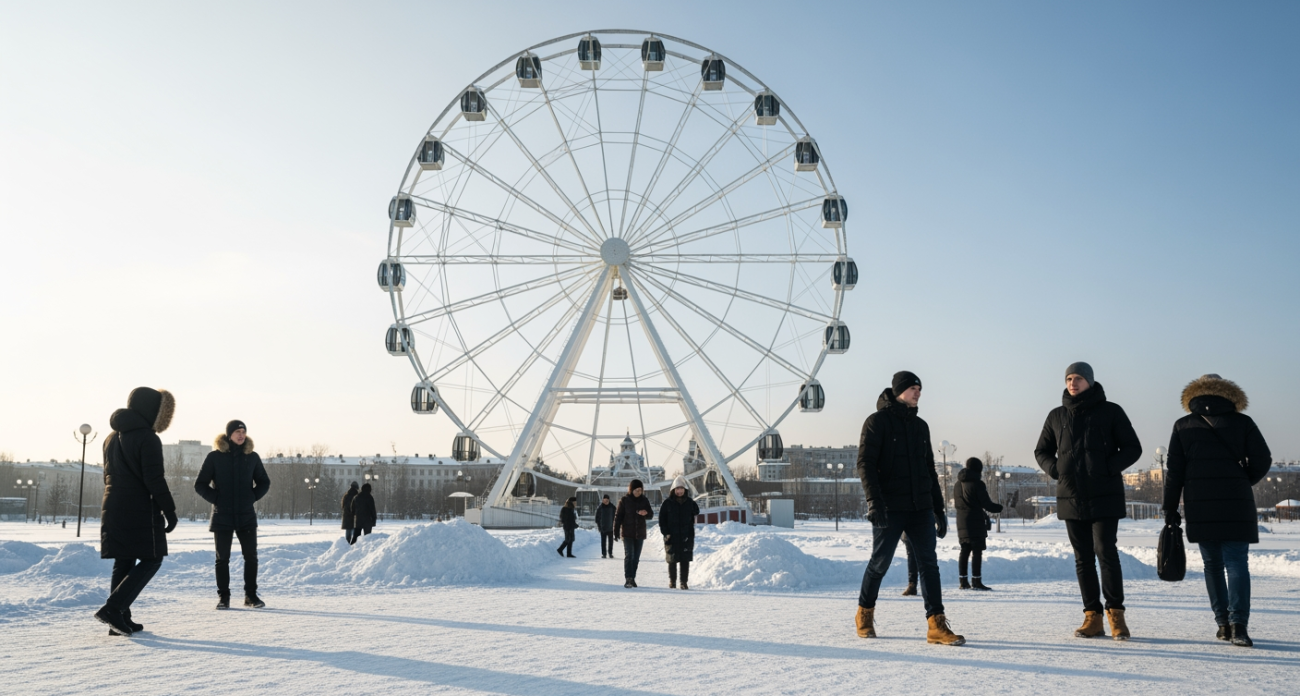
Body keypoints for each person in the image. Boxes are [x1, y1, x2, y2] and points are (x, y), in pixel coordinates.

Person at [854, 371, 965, 645]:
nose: (918, 392)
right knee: (880, 562)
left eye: (920, 388)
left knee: (929, 564)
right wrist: (874, 501)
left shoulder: (920, 426)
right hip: (890, 507)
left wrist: (938, 508)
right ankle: (864, 615)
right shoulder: (876, 422)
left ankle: (936, 624)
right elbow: (865, 464)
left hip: (920, 508)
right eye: (913, 388)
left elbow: (929, 468)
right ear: (898, 391)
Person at [1035, 362, 1141, 640]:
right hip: (1071, 495)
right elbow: (1041, 450)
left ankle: (1116, 616)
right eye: (1069, 378)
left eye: (1078, 378)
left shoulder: (1111, 411)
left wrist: (1107, 468)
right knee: (1082, 559)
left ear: (1090, 382)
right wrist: (1056, 470)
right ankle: (1092, 617)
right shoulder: (1056, 415)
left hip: (1104, 494)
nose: (1072, 382)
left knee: (1106, 552)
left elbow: (1133, 447)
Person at [1163, 374, 1272, 648]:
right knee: (1236, 563)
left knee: (1212, 564)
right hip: (1236, 501)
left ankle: (1222, 624)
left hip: (1199, 502)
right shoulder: (1242, 422)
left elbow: (1174, 472)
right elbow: (1263, 459)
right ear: (1229, 394)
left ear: (1194, 396)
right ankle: (1239, 626)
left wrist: (1170, 507)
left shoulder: (1183, 425)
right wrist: (1242, 480)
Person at [95, 387, 179, 636]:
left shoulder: (110, 437)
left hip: (112, 505)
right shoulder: (147, 437)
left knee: (124, 559)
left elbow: (106, 475)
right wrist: (170, 510)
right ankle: (113, 609)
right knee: (153, 559)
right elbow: (154, 478)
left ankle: (119, 618)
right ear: (151, 410)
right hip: (139, 507)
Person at [195, 420, 271, 610]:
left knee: (251, 557)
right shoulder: (214, 457)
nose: (241, 435)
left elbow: (264, 482)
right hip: (223, 515)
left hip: (246, 515)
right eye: (237, 431)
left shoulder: (252, 457)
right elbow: (200, 484)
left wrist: (252, 497)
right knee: (222, 559)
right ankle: (224, 597)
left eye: (243, 431)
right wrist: (217, 499)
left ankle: (251, 596)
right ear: (229, 434)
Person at [954, 457, 1003, 590]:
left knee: (964, 550)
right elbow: (986, 503)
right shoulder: (977, 483)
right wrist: (999, 508)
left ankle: (963, 581)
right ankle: (976, 581)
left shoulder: (957, 484)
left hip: (961, 521)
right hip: (975, 521)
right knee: (976, 552)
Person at [659, 476, 700, 590]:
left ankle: (683, 582)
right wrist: (665, 533)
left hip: (686, 535)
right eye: (677, 489)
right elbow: (662, 520)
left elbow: (697, 511)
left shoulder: (690, 502)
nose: (679, 491)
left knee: (684, 560)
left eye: (681, 488)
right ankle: (672, 581)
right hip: (671, 536)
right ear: (673, 490)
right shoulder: (667, 503)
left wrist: (692, 502)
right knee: (672, 560)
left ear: (685, 489)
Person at [613, 478, 654, 588]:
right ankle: (628, 578)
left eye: (640, 490)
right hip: (627, 533)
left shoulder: (644, 500)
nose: (638, 492)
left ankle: (633, 578)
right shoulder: (624, 500)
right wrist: (616, 531)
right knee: (629, 555)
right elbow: (618, 517)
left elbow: (651, 514)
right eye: (636, 490)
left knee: (636, 557)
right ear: (631, 490)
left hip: (640, 533)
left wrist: (646, 513)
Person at [595, 494, 616, 559]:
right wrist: (599, 525)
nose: (606, 501)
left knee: (610, 541)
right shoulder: (600, 508)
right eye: (605, 500)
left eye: (607, 500)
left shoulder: (612, 507)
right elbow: (597, 518)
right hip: (603, 527)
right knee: (603, 541)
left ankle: (610, 553)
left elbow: (616, 516)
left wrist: (615, 524)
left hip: (610, 527)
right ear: (603, 500)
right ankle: (604, 554)